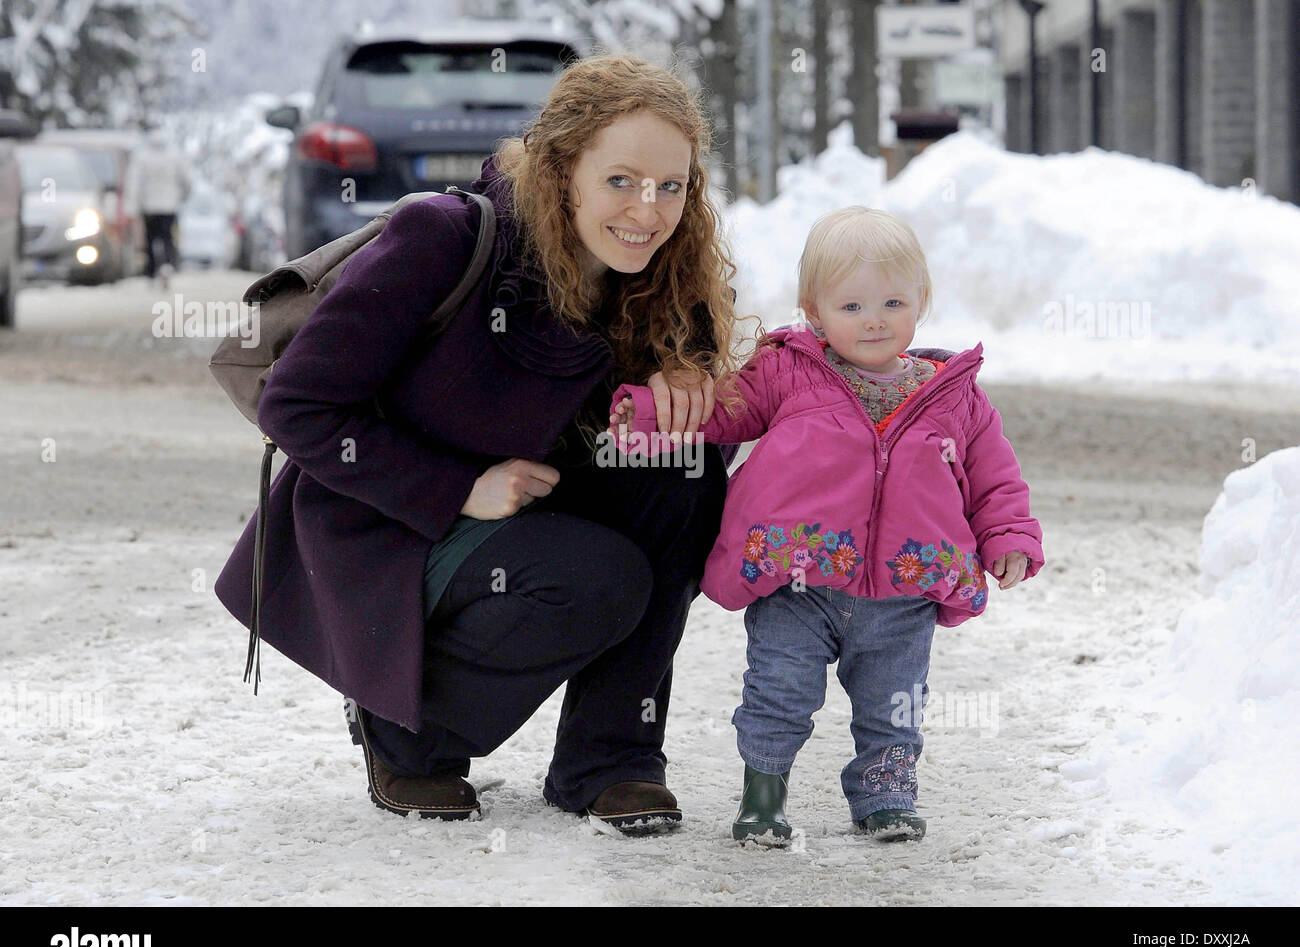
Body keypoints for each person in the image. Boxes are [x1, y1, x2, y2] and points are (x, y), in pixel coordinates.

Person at [213, 54, 746, 834]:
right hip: (397, 523)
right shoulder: (445, 240)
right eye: (622, 181)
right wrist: (457, 486)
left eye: (672, 186)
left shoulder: (663, 278)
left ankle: (611, 758)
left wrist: (682, 383)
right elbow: (297, 406)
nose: (649, 209)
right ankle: (404, 732)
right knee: (602, 579)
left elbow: (684, 464)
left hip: (521, 504)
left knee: (682, 471)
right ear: (562, 169)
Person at [608, 205, 1045, 843]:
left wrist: (1009, 537)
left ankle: (885, 797)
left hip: (904, 590)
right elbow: (726, 410)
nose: (874, 320)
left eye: (893, 302)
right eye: (851, 307)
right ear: (813, 312)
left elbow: (994, 477)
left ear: (921, 301)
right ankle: (763, 794)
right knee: (779, 693)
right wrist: (650, 413)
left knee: (894, 708)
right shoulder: (788, 372)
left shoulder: (954, 395)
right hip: (796, 582)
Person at [123, 126, 191, 287]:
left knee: (151, 239)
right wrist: (182, 197)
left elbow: (134, 182)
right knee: (168, 237)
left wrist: (131, 206)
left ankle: (152, 272)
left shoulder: (142, 156)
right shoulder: (174, 155)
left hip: (149, 207)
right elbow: (187, 180)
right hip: (169, 206)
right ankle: (167, 265)